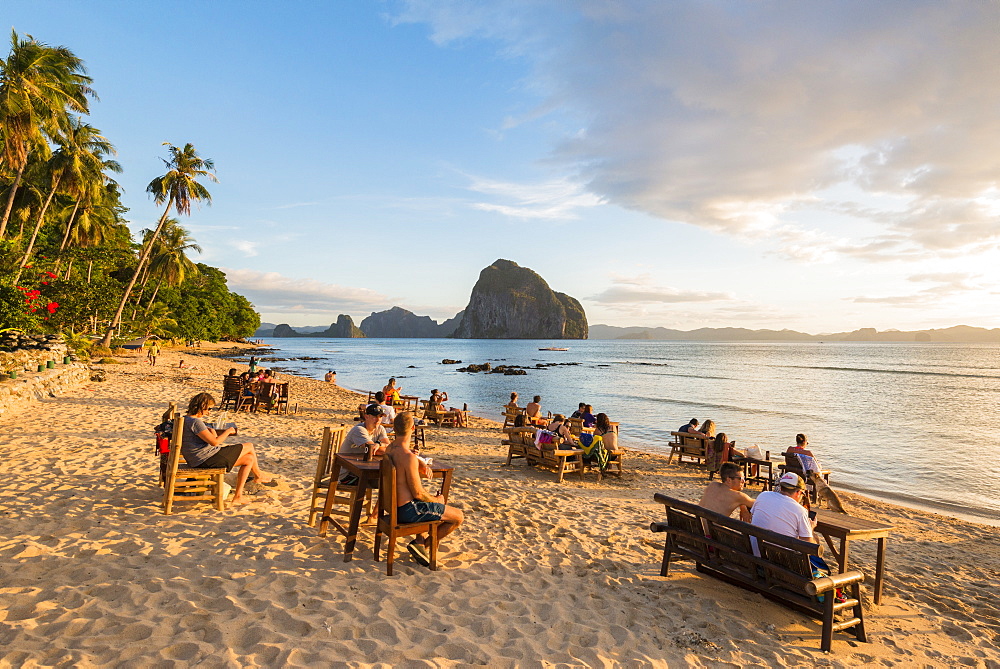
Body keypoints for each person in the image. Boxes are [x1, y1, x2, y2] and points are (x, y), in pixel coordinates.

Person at [385, 411, 464, 567]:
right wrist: (438, 501)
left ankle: (420, 543)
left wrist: (418, 461)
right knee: (458, 516)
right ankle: (424, 546)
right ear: (413, 428)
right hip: (408, 510)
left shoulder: (390, 449)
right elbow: (418, 493)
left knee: (430, 506)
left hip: (395, 507)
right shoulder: (408, 457)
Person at [181, 392, 275, 505]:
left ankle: (238, 496)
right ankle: (258, 475)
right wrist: (228, 431)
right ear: (202, 406)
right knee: (249, 446)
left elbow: (208, 440)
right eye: (209, 409)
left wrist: (212, 432)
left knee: (249, 459)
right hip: (205, 459)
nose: (209, 412)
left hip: (199, 458)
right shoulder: (195, 422)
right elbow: (215, 442)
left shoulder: (186, 419)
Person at [750, 472, 817, 545]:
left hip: (754, 552)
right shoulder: (800, 510)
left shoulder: (763, 495)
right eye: (802, 494)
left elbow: (753, 516)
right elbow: (808, 546)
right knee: (815, 540)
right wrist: (811, 529)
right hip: (780, 556)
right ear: (798, 492)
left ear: (781, 487)